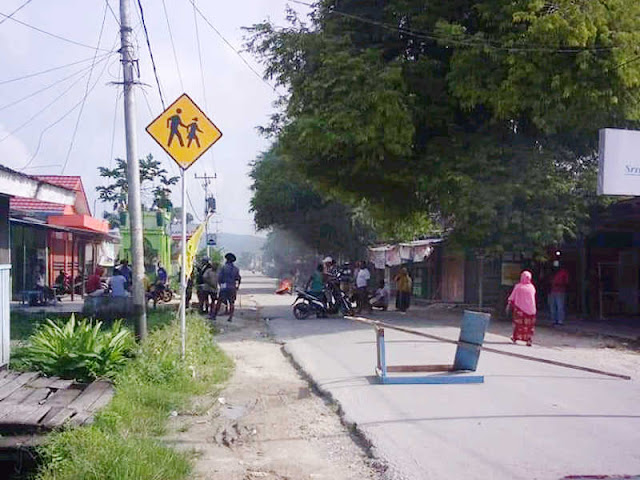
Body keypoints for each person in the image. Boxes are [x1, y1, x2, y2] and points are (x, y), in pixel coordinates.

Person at [507, 271, 537, 346]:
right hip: (531, 310)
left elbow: (512, 297)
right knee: (529, 326)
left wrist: (509, 303)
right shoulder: (532, 287)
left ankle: (515, 337)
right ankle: (529, 339)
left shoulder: (518, 286)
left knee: (519, 324)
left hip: (520, 309)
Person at [213, 253, 241, 322]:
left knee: (219, 301)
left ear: (227, 260)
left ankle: (214, 316)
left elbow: (219, 278)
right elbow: (238, 278)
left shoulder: (223, 268)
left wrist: (220, 285)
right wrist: (237, 286)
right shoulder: (236, 269)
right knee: (232, 302)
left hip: (224, 287)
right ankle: (230, 317)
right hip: (232, 287)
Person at [548, 260, 569, 326]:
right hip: (552, 291)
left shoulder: (563, 272)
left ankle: (560, 321)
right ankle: (554, 320)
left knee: (560, 307)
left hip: (560, 291)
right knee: (552, 307)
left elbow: (567, 282)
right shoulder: (551, 273)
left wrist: (559, 284)